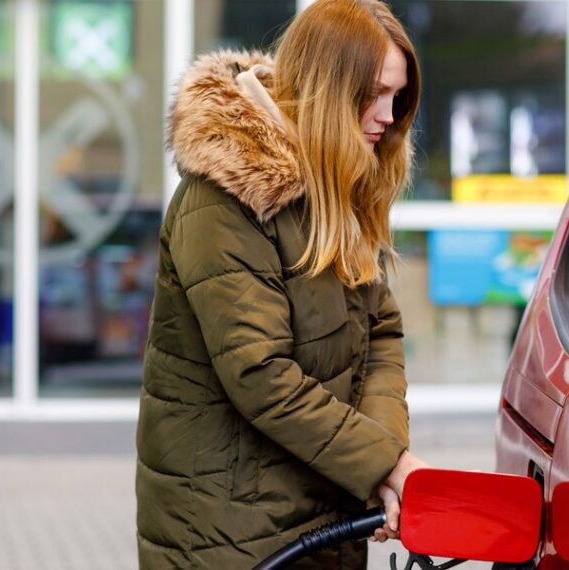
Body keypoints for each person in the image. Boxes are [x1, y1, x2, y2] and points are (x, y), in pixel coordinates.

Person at [135, 1, 427, 567]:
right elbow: (260, 373)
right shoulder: (224, 199)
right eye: (375, 93)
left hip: (322, 519)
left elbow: (382, 333)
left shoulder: (337, 192)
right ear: (326, 88)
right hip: (229, 536)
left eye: (398, 97)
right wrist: (387, 464)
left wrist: (382, 460)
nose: (389, 116)